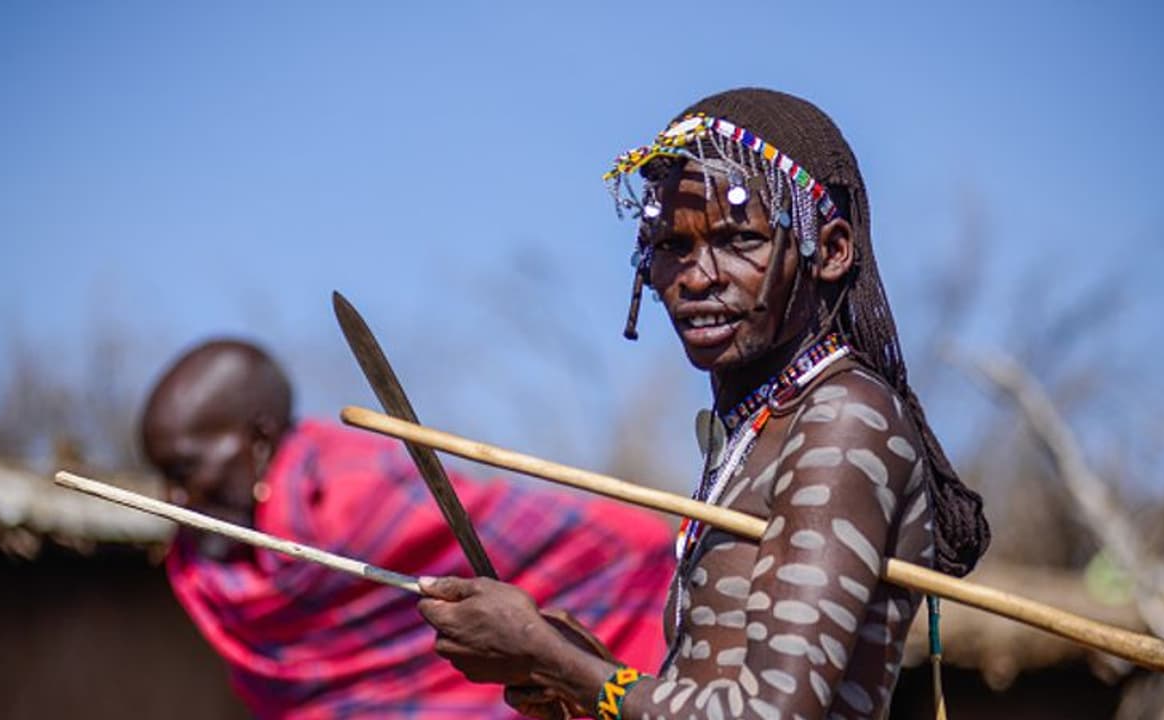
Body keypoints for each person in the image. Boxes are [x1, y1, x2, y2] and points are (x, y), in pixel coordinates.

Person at [415, 88, 990, 719]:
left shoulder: (845, 417)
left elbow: (776, 714)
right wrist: (577, 671)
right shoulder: (764, 425)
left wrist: (557, 662)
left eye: (739, 239)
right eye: (672, 246)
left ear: (829, 251)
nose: (697, 276)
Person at [140, 339, 675, 719]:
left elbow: (613, 548)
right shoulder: (210, 565)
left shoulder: (356, 494)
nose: (174, 500)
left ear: (259, 439)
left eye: (185, 471)